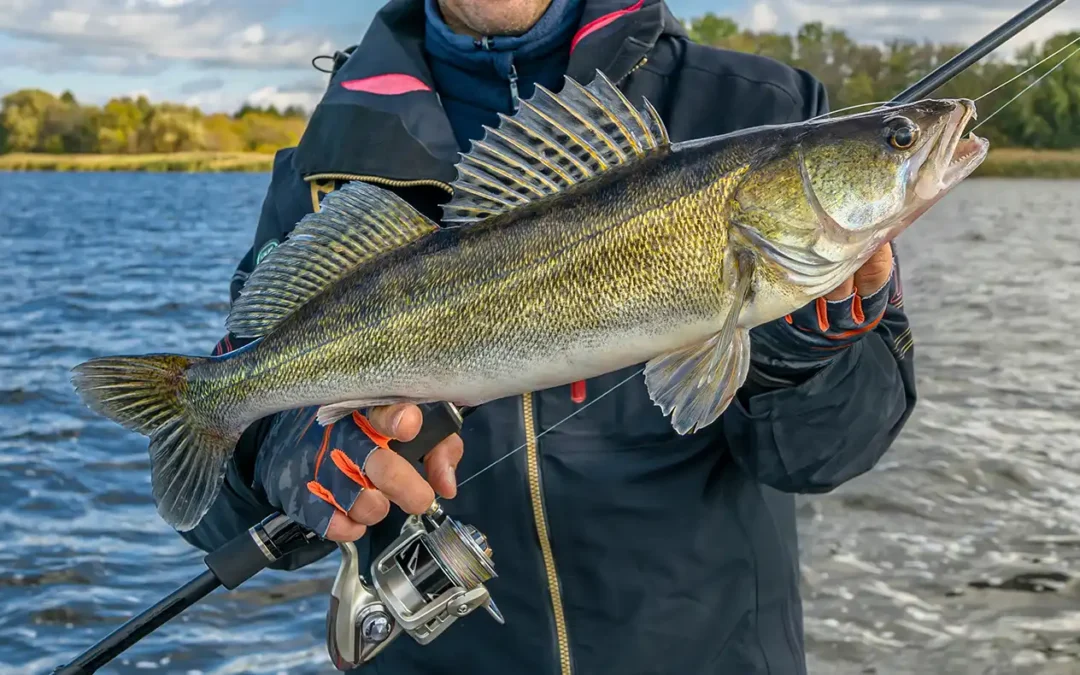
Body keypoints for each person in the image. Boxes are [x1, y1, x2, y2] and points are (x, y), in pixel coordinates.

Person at [181, 1, 916, 673]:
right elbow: (219, 507)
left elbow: (833, 452)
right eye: (896, 141)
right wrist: (278, 456)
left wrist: (804, 354)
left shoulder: (766, 107)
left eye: (896, 142)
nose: (902, 147)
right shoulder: (326, 159)